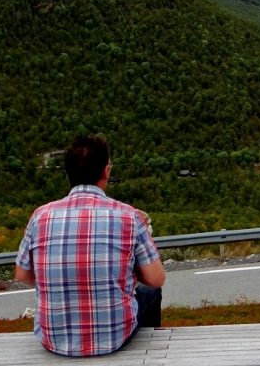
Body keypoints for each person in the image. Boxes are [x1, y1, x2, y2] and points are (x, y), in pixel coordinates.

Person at [15, 135, 166, 356]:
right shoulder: (129, 216)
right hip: (114, 337)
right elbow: (156, 278)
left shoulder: (40, 216)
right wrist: (127, 274)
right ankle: (151, 355)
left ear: (68, 173)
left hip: (53, 339)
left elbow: (22, 274)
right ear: (107, 171)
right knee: (150, 294)